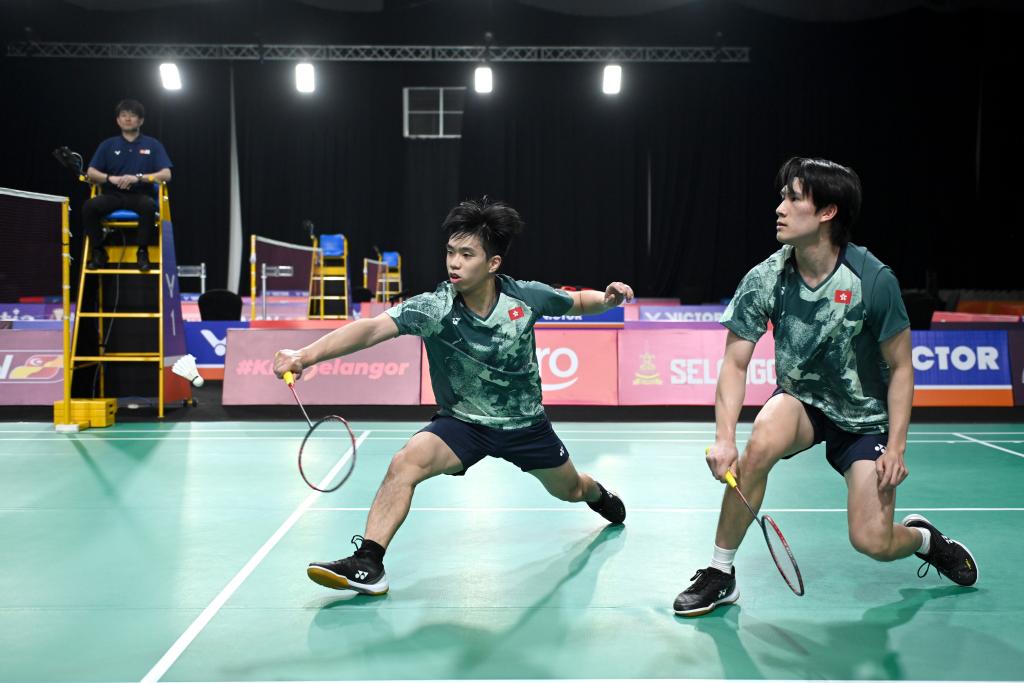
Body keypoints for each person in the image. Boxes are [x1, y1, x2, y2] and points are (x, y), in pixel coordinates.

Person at [273, 198, 633, 595]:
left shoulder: (525, 297)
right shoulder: (434, 308)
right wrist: (305, 355)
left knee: (571, 490)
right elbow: (371, 329)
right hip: (463, 424)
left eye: (466, 254)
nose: (454, 263)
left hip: (526, 426)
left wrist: (608, 299)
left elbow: (576, 301)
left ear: (493, 263)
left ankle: (598, 494)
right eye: (450, 252)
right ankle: (369, 563)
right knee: (405, 463)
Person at [673, 157, 978, 617]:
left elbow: (901, 368)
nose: (780, 207)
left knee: (872, 540)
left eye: (794, 198)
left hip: (864, 418)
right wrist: (724, 439)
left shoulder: (873, 280)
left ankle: (924, 540)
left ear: (827, 212)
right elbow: (735, 364)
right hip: (803, 401)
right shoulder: (766, 278)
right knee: (759, 444)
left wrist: (896, 447)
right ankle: (720, 572)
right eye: (782, 196)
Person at [82, 99, 173, 272]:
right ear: (118, 120)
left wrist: (138, 178)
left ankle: (142, 252)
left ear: (141, 120)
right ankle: (99, 251)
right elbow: (91, 172)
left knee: (148, 206)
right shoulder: (107, 145)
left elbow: (166, 174)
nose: (128, 119)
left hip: (140, 195)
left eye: (132, 116)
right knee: (89, 206)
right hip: (113, 195)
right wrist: (110, 178)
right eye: (123, 115)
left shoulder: (153, 145)